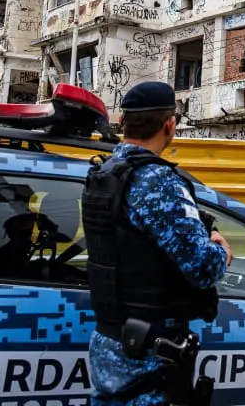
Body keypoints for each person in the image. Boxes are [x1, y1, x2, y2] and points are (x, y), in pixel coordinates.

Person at [84, 81, 234, 406]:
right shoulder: (158, 182)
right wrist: (221, 248)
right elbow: (202, 267)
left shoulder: (104, 174)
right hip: (149, 347)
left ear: (123, 123)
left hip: (109, 336)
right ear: (170, 124)